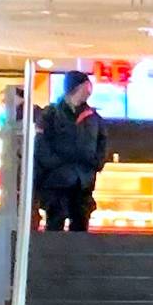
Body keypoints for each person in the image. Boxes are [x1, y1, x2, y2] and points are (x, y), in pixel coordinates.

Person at [33, 71, 110, 232]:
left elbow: (102, 142)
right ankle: (54, 256)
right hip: (56, 182)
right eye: (86, 86)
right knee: (55, 223)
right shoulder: (51, 114)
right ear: (75, 88)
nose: (89, 90)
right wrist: (54, 163)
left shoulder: (94, 117)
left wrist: (96, 162)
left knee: (81, 224)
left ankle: (78, 257)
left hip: (83, 183)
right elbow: (41, 144)